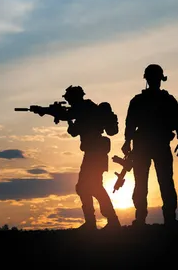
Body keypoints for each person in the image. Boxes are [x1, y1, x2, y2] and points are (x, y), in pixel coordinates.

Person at [37, 85, 121, 230]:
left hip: (95, 153)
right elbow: (74, 130)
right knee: (87, 187)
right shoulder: (85, 109)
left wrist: (50, 112)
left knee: (88, 187)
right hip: (94, 153)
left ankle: (104, 221)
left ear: (75, 98)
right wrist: (53, 113)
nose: (68, 102)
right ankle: (100, 221)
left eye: (69, 99)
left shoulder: (85, 108)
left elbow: (69, 119)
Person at [121, 64, 178, 227]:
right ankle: (159, 218)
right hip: (153, 145)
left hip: (148, 145)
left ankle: (149, 218)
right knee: (157, 182)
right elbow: (130, 124)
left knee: (153, 182)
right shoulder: (165, 100)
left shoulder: (141, 100)